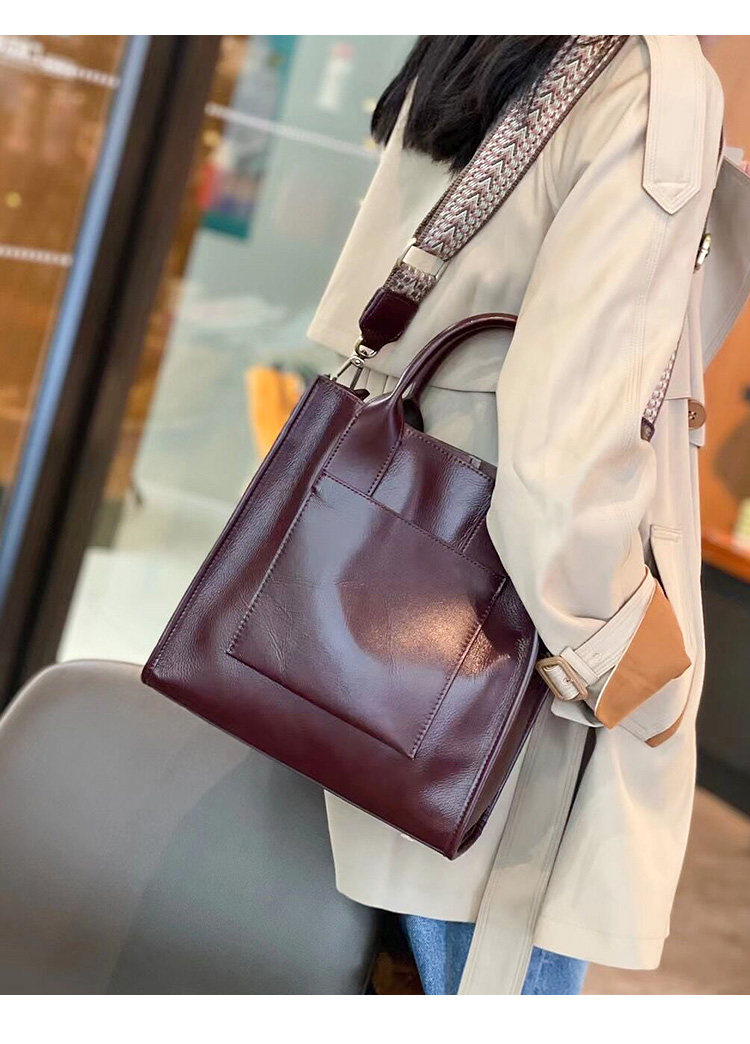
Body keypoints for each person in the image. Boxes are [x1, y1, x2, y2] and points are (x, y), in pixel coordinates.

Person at [307, 36, 748, 994]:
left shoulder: (512, 39)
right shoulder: (651, 82)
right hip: (510, 685)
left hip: (356, 619)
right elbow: (571, 453)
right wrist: (633, 673)